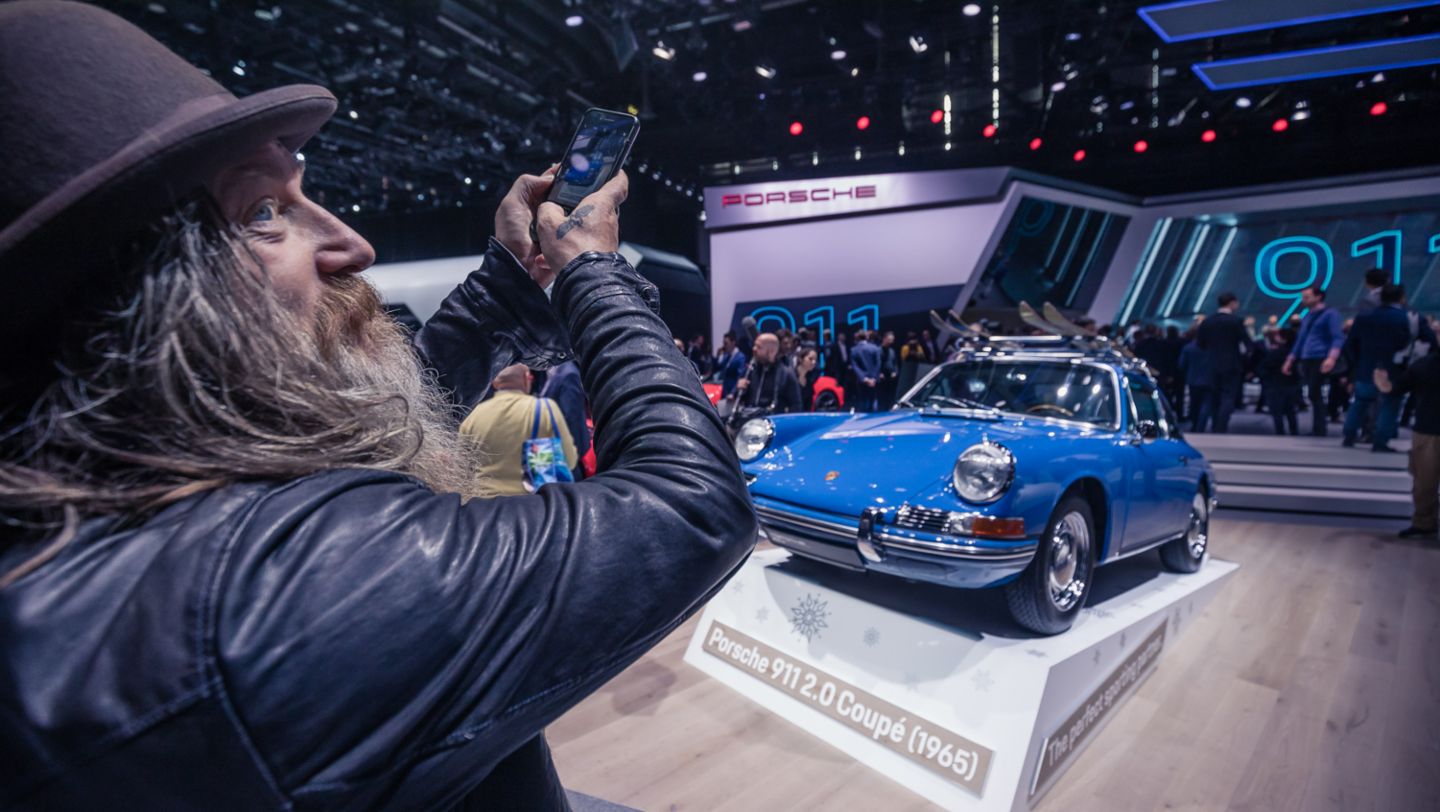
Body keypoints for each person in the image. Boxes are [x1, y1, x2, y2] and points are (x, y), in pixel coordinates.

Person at [0, 5, 755, 809]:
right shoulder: (270, 591)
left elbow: (370, 426)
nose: (353, 243)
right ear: (135, 295)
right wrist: (592, 271)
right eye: (264, 212)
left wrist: (507, 277)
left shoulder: (106, 527)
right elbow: (689, 505)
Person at [460, 365, 578, 495]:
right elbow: (569, 460)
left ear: (493, 382)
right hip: (532, 505)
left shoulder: (473, 415)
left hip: (483, 504)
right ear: (527, 378)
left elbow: (461, 468)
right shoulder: (544, 409)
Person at [1343, 285, 1433, 452]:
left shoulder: (1364, 318)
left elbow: (1350, 344)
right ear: (1402, 298)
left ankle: (1349, 435)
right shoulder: (1410, 318)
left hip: (1366, 367)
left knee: (1360, 401)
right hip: (1395, 368)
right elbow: (1430, 341)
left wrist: (1355, 365)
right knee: (1390, 404)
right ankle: (1380, 441)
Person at [1381, 349, 1440, 539]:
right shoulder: (1425, 365)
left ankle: (1424, 522)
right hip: (1427, 430)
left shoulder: (1424, 364)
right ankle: (1424, 523)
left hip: (1426, 430)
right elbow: (1397, 387)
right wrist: (1385, 384)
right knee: (1424, 483)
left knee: (1424, 482)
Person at [1283, 286, 1346, 436]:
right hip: (1307, 357)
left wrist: (1331, 357)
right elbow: (1301, 339)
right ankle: (1318, 427)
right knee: (1313, 393)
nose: (1303, 300)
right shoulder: (1308, 316)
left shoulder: (1331, 314)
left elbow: (1337, 337)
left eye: (1307, 297)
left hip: (1320, 357)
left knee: (1315, 392)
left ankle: (1320, 428)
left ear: (1318, 297)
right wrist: (1290, 359)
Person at [1196, 292, 1250, 433]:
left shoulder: (1208, 321)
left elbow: (1200, 343)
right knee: (1228, 397)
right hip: (1231, 364)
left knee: (1213, 397)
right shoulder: (1236, 321)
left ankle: (1211, 427)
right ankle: (1221, 428)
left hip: (1211, 365)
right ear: (1232, 303)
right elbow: (1248, 344)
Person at [539, 359, 590, 477]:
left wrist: (575, 454)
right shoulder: (558, 371)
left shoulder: (568, 374)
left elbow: (573, 417)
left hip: (566, 458)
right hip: (558, 455)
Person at [736, 332, 803, 416]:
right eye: (754, 345)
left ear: (772, 351)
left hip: (773, 423)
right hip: (749, 423)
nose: (754, 349)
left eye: (759, 347)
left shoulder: (786, 374)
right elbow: (739, 400)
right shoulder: (750, 370)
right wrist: (738, 389)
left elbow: (796, 405)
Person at [1258, 329, 1301, 435]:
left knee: (1277, 412)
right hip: (1291, 385)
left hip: (1275, 384)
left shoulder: (1276, 353)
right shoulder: (1296, 354)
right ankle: (1294, 432)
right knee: (1291, 411)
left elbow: (1263, 368)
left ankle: (1280, 432)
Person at [1179, 330, 1213, 432]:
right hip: (1209, 379)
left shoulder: (1188, 348)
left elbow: (1181, 365)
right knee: (1206, 405)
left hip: (1193, 380)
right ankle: (1200, 426)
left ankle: (1194, 424)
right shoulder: (1212, 348)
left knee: (1194, 404)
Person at [850, 330, 883, 412]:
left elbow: (855, 366)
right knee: (874, 401)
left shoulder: (854, 350)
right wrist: (874, 378)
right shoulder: (875, 348)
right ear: (867, 337)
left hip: (862, 381)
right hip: (874, 380)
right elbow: (878, 364)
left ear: (857, 338)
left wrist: (864, 379)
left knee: (862, 402)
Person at [711, 331, 748, 400]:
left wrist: (733, 393)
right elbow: (717, 368)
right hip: (724, 391)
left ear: (733, 342)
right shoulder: (726, 356)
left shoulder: (740, 357)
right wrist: (717, 356)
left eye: (726, 343)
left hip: (733, 393)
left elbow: (740, 376)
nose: (724, 346)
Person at [878, 331, 901, 410]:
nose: (891, 342)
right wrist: (879, 373)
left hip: (891, 378)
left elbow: (895, 363)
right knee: (881, 399)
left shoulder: (892, 351)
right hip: (882, 379)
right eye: (889, 339)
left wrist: (895, 372)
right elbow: (876, 364)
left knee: (890, 398)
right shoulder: (878, 350)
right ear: (884, 339)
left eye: (892, 340)